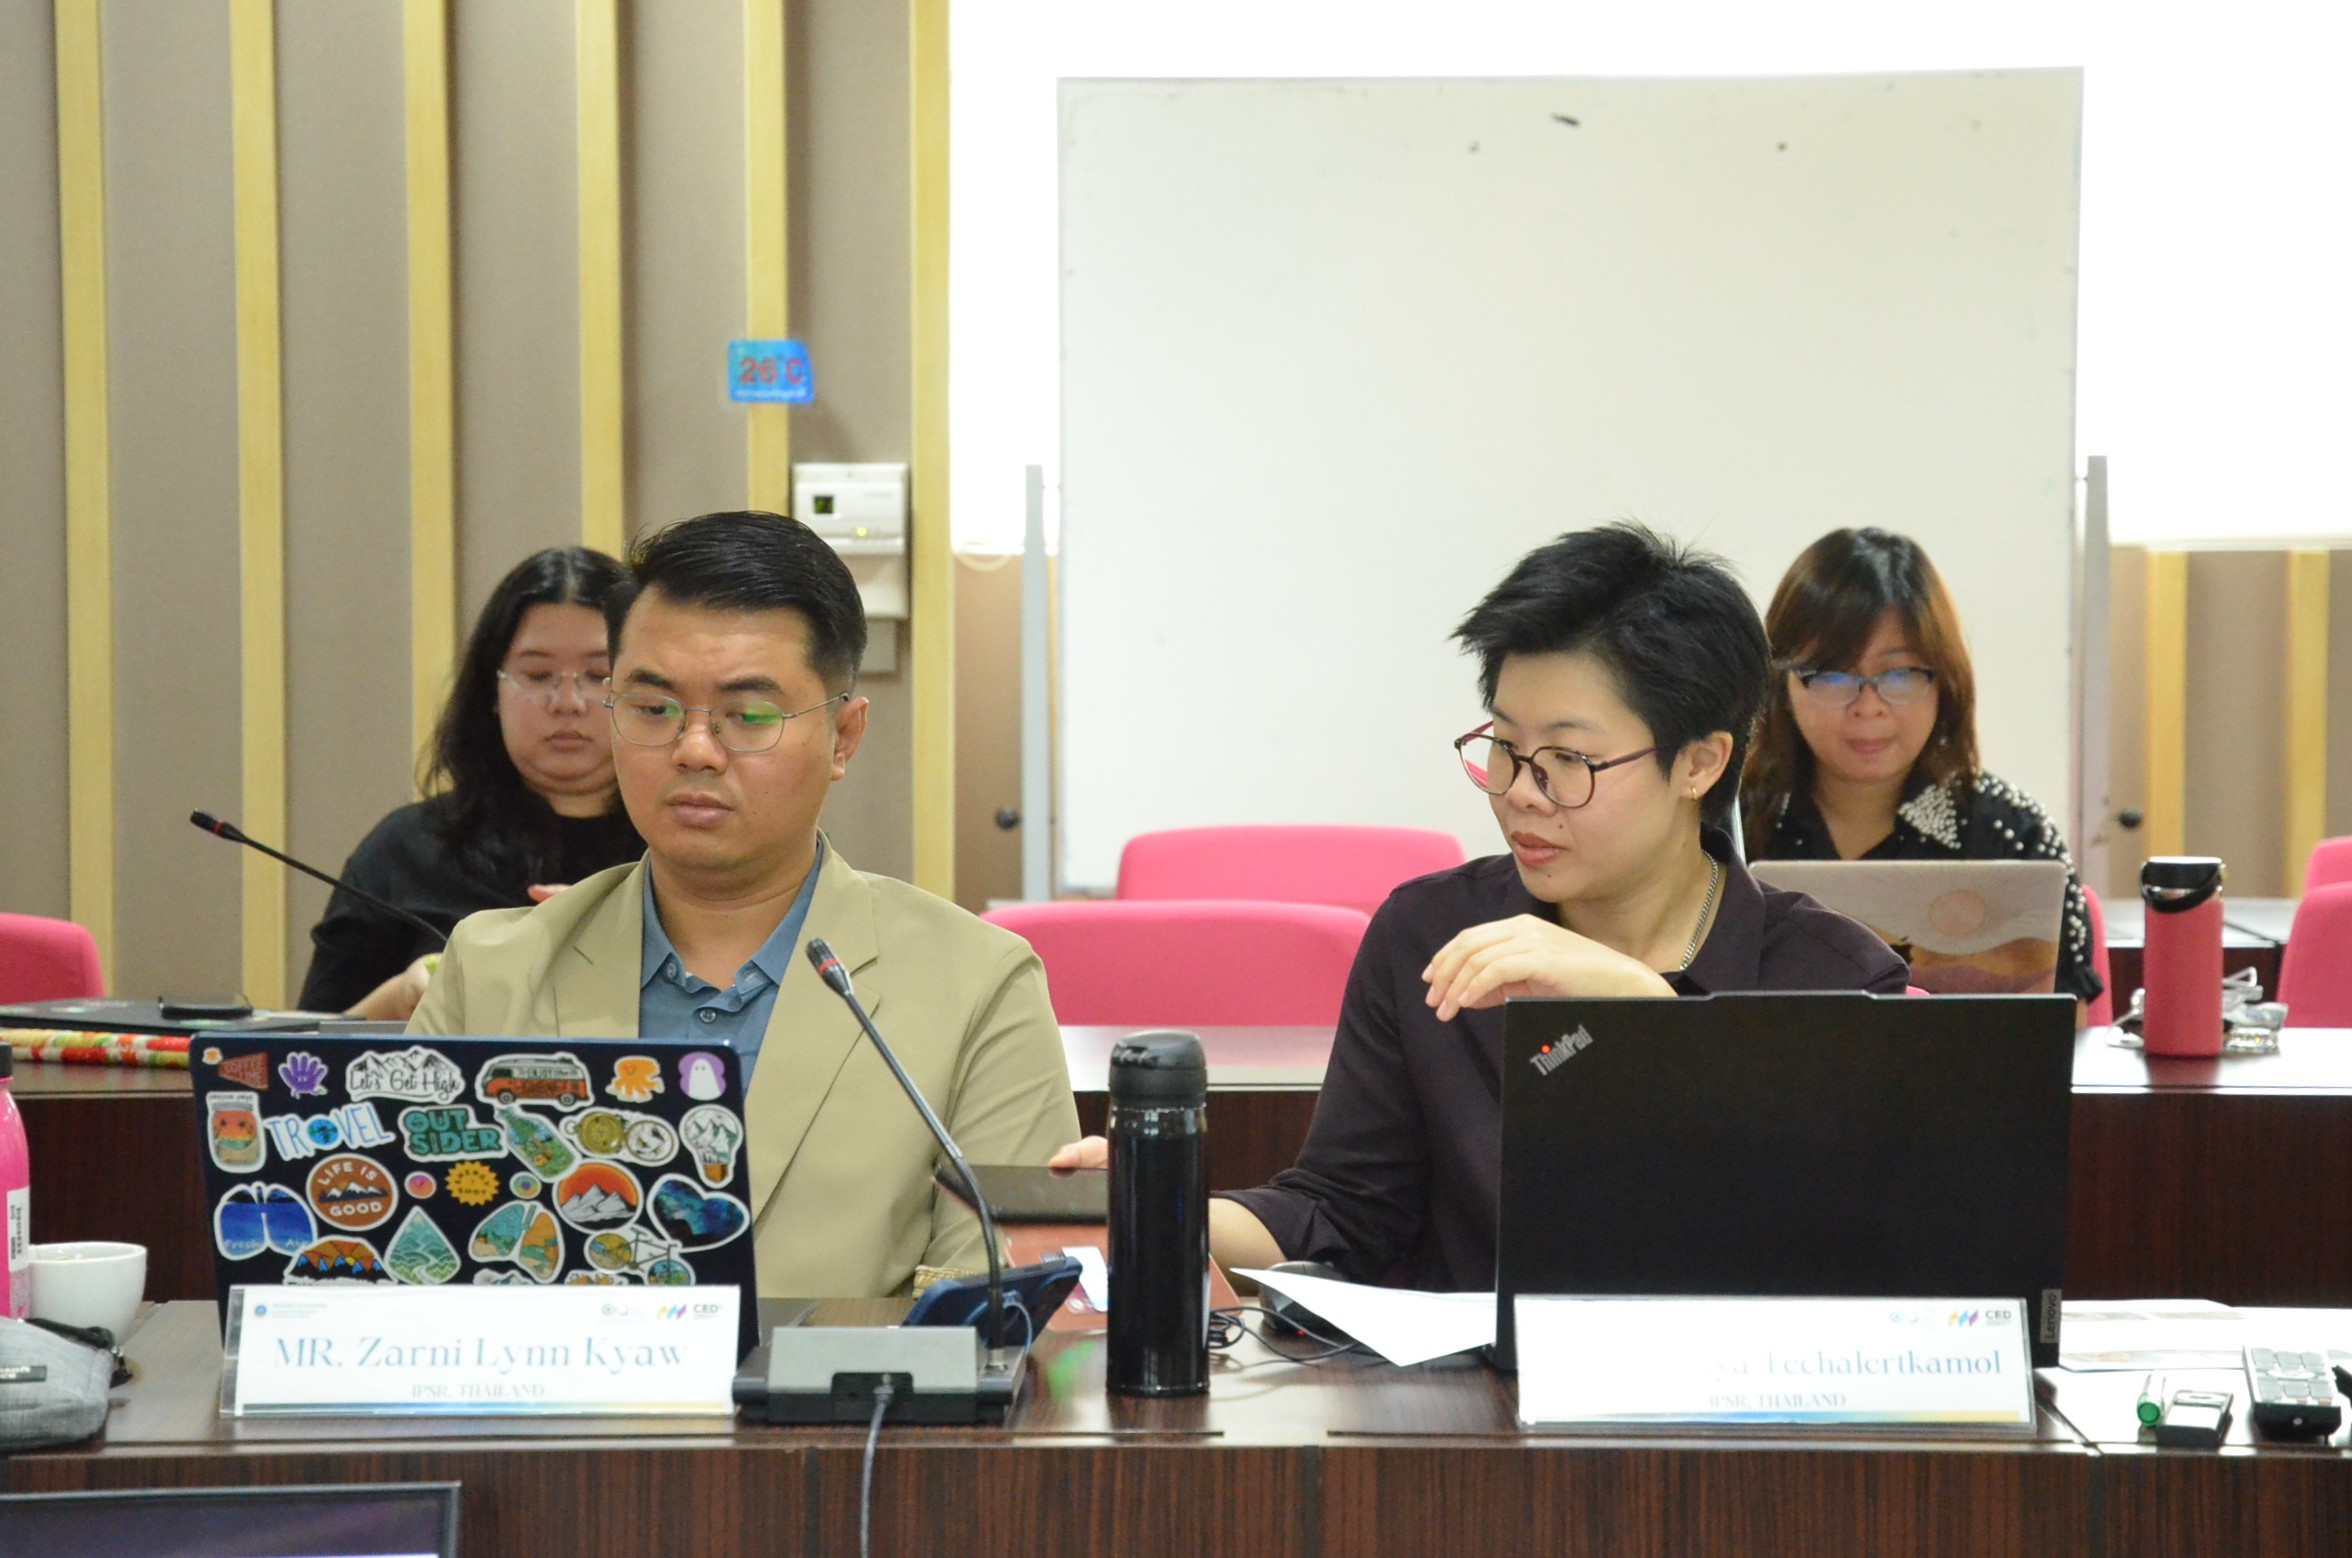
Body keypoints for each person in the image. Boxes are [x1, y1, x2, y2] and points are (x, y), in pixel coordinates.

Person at [1053, 523, 1907, 1289]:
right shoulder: (1429, 935)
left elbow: (1841, 1251)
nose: (1520, 792)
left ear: (1699, 763)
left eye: (1568, 760)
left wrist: (1644, 1010)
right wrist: (1164, 1203)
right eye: (1503, 745)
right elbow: (1342, 1212)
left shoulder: (1836, 981)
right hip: (1475, 1406)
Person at [408, 511, 1079, 1297]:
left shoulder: (978, 985)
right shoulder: (493, 972)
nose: (694, 749)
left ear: (843, 737)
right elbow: (416, 1277)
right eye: (653, 709)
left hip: (850, 1385)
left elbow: (992, 1313)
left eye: (749, 716)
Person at [1739, 527, 2103, 1009]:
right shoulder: (1728, 826)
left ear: (1943, 681)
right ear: (1781, 684)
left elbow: (2066, 1028)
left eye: (1900, 674)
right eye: (1831, 675)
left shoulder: (2013, 835)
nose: (1868, 707)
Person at [298, 547, 642, 1019]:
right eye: (538, 674)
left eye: (599, 675)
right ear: (492, 691)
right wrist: (402, 997)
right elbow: (307, 1049)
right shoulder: (407, 850)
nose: (567, 701)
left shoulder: (684, 846)